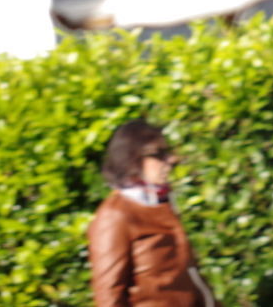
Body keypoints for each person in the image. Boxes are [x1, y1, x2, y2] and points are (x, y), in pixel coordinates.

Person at [88, 119, 223, 307]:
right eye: (158, 154)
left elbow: (189, 275)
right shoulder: (115, 215)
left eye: (166, 152)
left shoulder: (160, 202)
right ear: (132, 158)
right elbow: (108, 295)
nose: (171, 160)